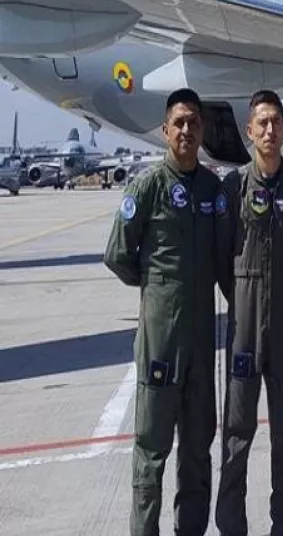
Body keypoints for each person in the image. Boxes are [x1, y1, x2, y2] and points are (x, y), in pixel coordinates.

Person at [103, 87, 232, 536]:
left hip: (200, 341)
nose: (186, 130)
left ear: (202, 129)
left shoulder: (214, 191)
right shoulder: (148, 186)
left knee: (198, 448)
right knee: (152, 448)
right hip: (161, 340)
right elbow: (118, 253)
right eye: (178, 122)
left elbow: (223, 260)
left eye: (193, 122)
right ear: (165, 130)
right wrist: (158, 287)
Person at [216, 90, 283, 536]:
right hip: (242, 324)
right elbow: (222, 258)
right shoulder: (232, 187)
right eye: (262, 123)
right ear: (249, 131)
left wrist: (275, 288)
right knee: (236, 433)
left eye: (276, 122)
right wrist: (244, 290)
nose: (270, 130)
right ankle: (232, 526)